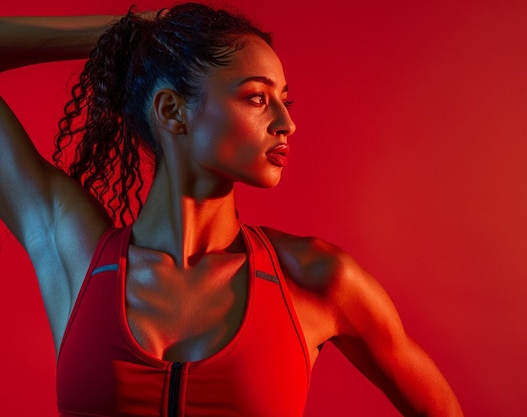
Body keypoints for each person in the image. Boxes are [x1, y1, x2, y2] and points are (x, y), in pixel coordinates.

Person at [0, 3, 464, 416]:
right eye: (258, 98)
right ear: (171, 110)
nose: (287, 123)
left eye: (285, 100)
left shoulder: (315, 280)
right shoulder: (77, 258)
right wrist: (131, 34)